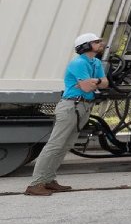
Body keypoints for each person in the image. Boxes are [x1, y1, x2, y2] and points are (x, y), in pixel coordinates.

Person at [25, 33, 109, 196]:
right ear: (85, 46)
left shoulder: (96, 62)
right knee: (55, 145)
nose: (101, 43)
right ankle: (35, 184)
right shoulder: (78, 63)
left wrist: (96, 82)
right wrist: (94, 82)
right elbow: (85, 88)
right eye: (96, 41)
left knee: (65, 145)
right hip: (71, 106)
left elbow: (104, 83)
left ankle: (48, 180)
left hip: (83, 107)